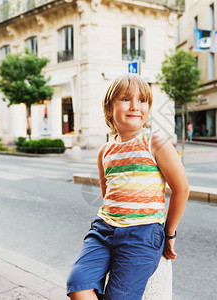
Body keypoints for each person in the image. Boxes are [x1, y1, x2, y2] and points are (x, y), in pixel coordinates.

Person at [67, 74, 189, 300]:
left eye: (142, 100)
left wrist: (169, 234)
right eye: (125, 99)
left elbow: (181, 189)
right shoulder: (104, 151)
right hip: (104, 230)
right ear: (109, 108)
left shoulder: (155, 142)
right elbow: (108, 194)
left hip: (142, 233)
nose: (135, 106)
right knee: (78, 285)